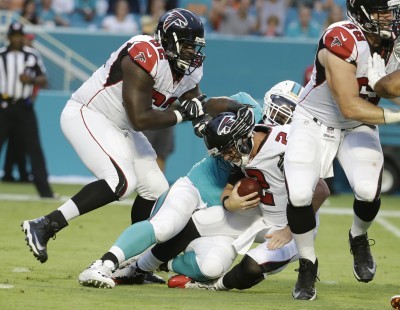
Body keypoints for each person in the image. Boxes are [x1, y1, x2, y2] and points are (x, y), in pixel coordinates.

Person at [21, 8, 209, 265]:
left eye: (194, 47)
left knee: (157, 190)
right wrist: (182, 115)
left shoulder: (187, 71)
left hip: (121, 126)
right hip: (89, 113)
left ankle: (131, 264)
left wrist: (205, 118)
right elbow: (140, 119)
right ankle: (44, 225)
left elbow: (194, 100)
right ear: (168, 40)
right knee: (121, 181)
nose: (191, 53)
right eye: (186, 45)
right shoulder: (144, 53)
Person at [77, 93, 260, 288]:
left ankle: (156, 264)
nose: (227, 157)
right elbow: (211, 104)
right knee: (165, 226)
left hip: (225, 215)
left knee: (212, 267)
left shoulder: (275, 140)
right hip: (197, 188)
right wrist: (235, 107)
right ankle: (104, 264)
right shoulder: (249, 111)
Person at [283, 0, 400, 300]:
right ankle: (307, 263)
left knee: (367, 190)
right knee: (298, 194)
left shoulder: (393, 42)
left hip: (357, 126)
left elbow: (393, 90)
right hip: (314, 119)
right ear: (361, 12)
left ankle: (358, 237)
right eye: (382, 12)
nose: (390, 18)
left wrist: (385, 87)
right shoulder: (342, 37)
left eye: (391, 11)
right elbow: (349, 106)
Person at [166, 106, 329, 291]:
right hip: (261, 214)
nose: (226, 157)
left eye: (228, 150)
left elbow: (321, 190)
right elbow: (229, 188)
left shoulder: (282, 148)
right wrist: (230, 203)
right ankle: (148, 263)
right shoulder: (247, 150)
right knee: (198, 220)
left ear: (242, 137)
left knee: (252, 266)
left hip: (296, 225)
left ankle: (213, 286)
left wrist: (290, 230)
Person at [0, 22, 54, 197]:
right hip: (3, 107)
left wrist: (30, 79)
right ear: (9, 37)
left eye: (19, 35)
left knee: (34, 149)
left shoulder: (32, 55)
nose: (17, 39)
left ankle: (44, 191)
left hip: (24, 107)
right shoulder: (1, 55)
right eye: (14, 36)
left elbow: (44, 80)